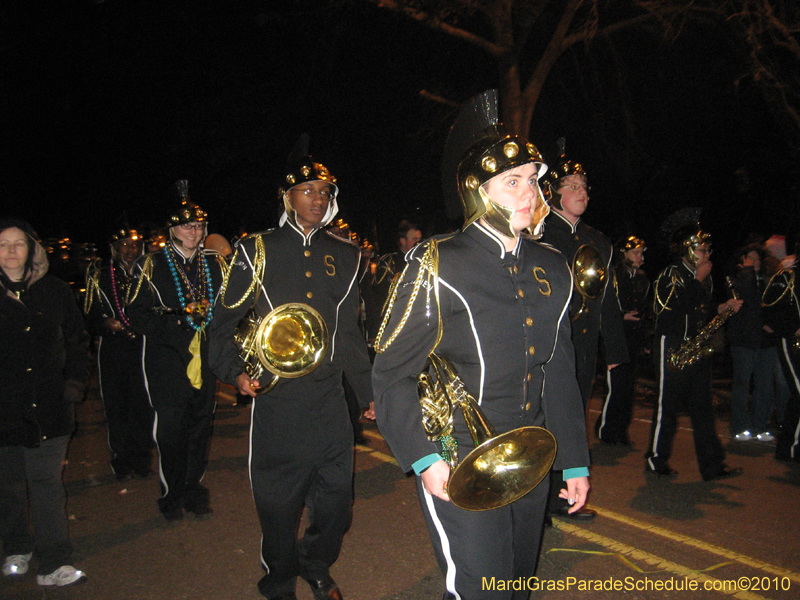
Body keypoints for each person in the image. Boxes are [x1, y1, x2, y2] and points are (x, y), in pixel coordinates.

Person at [372, 90, 590, 600]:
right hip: (458, 453)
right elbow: (392, 372)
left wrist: (575, 460)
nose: (528, 191)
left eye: (532, 179)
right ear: (477, 191)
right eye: (511, 182)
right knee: (479, 590)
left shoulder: (553, 265)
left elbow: (557, 367)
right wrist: (425, 460)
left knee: (515, 584)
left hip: (530, 456)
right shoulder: (438, 262)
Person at [208, 135, 374, 600]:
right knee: (278, 505)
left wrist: (367, 394)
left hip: (328, 401)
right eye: (307, 191)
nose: (317, 199)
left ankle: (315, 561)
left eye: (324, 192)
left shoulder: (346, 255)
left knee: (338, 502)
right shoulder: (255, 249)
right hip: (277, 398)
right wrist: (236, 373)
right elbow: (220, 325)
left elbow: (348, 333)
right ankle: (279, 580)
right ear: (287, 198)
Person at [539, 142, 628, 521]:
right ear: (553, 192)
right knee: (543, 419)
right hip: (547, 347)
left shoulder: (599, 240)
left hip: (585, 346)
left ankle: (562, 495)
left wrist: (617, 353)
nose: (582, 192)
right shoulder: (537, 235)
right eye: (572, 186)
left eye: (585, 186)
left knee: (573, 416)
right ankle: (536, 500)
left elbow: (609, 299)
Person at [0, 218, 90, 587]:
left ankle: (55, 561)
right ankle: (16, 547)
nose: (10, 251)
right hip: (5, 410)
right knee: (8, 485)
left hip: (50, 407)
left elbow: (76, 340)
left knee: (47, 484)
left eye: (18, 243)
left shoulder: (54, 291)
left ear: (32, 249)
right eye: (3, 244)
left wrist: (74, 382)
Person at [126, 181, 223, 521]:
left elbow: (227, 307)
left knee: (200, 425)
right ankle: (172, 493)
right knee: (171, 427)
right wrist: (174, 324)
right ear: (172, 229)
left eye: (198, 226)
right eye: (187, 225)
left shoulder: (214, 265)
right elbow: (135, 313)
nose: (194, 231)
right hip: (167, 356)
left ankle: (194, 487)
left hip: (205, 354)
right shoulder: (150, 264)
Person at [646, 211, 743, 480]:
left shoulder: (704, 276)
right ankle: (656, 460)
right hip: (672, 347)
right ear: (688, 250)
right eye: (702, 249)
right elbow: (667, 311)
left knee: (703, 409)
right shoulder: (672, 273)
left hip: (697, 349)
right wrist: (697, 280)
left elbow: (701, 308)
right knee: (667, 408)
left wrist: (721, 307)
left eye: (708, 249)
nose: (707, 254)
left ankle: (712, 465)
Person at [84, 227, 154, 479]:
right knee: (116, 405)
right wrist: (105, 323)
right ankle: (121, 459)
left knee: (143, 405)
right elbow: (89, 316)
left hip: (142, 348)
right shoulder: (99, 276)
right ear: (115, 248)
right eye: (124, 245)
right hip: (113, 350)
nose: (130, 250)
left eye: (135, 245)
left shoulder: (149, 273)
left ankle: (141, 458)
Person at [595, 236, 651, 445]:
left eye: (641, 253)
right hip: (616, 337)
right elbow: (603, 308)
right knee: (616, 387)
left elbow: (644, 311)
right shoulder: (613, 277)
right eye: (635, 252)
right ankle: (606, 429)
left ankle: (621, 429)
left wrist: (645, 341)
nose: (640, 257)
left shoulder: (642, 280)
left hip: (633, 339)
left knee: (628, 387)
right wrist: (622, 316)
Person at [725, 244, 776, 441]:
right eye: (750, 258)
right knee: (742, 384)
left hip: (764, 341)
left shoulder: (766, 280)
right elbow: (745, 300)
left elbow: (769, 305)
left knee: (764, 385)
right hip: (744, 339)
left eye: (757, 259)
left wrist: (769, 323)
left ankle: (760, 425)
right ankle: (739, 426)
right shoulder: (736, 279)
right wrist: (746, 271)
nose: (755, 262)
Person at [761, 249, 800, 462]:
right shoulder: (786, 277)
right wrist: (793, 327)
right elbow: (769, 310)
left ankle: (788, 446)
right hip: (790, 342)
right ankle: (789, 447)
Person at [362, 219, 422, 346]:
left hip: (418, 327)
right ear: (402, 241)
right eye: (414, 239)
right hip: (393, 327)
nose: (419, 243)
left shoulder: (425, 263)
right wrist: (376, 329)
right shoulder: (389, 263)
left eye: (420, 239)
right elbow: (377, 298)